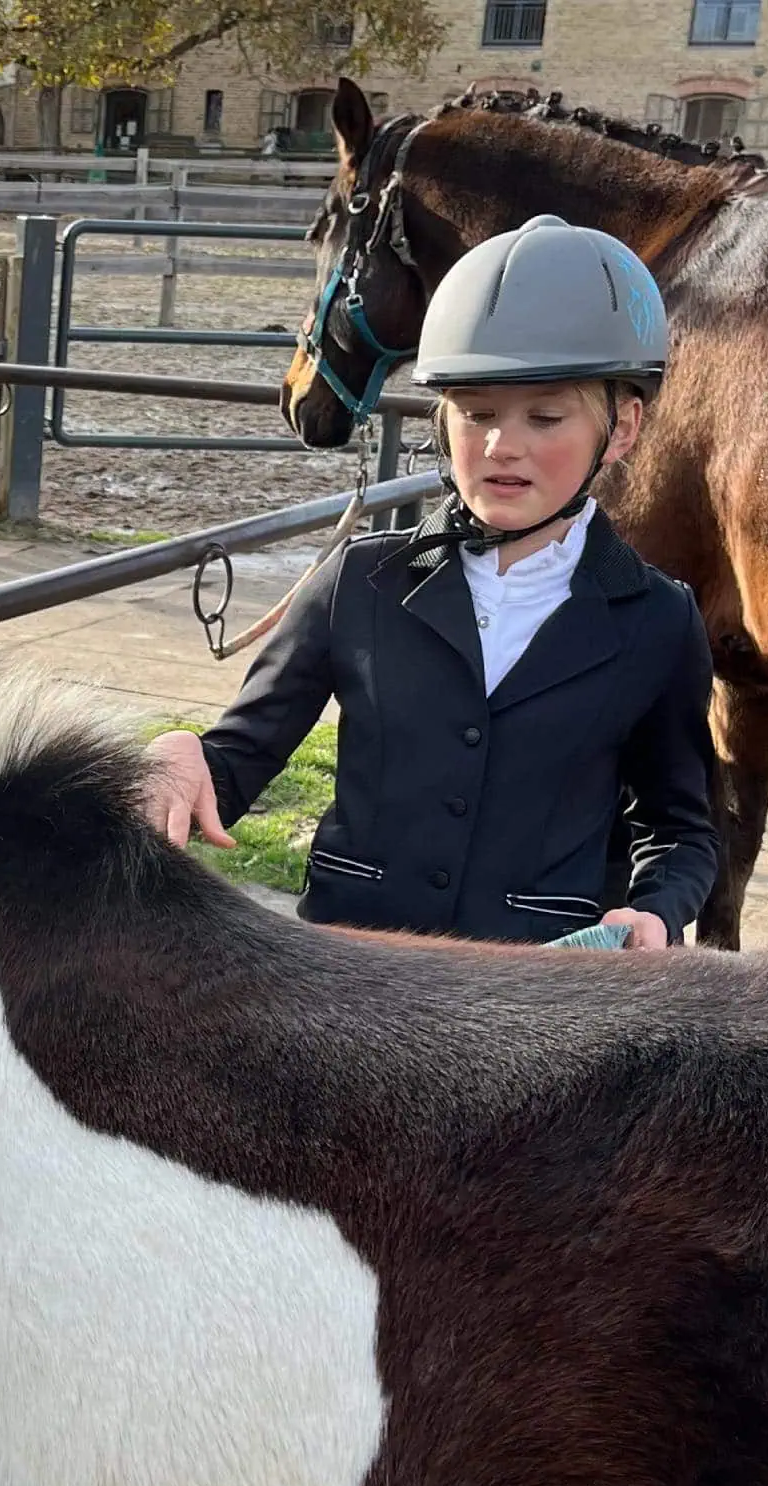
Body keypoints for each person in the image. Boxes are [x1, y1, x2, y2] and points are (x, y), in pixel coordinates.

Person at [146, 216, 718, 948]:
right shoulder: (360, 580)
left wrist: (658, 910)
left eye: (545, 418)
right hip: (358, 973)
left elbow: (678, 830)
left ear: (625, 428)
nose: (501, 446)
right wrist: (182, 753)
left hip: (537, 993)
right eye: (475, 415)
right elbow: (237, 758)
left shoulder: (658, 621)